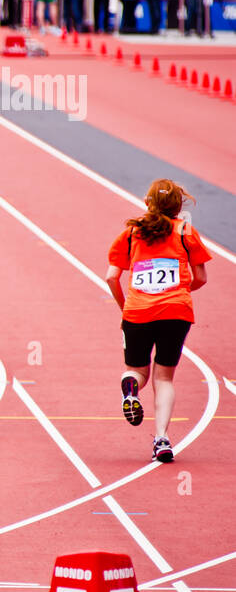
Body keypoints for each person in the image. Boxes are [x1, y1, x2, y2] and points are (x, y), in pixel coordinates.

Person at [106, 181, 210, 463]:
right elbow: (200, 278)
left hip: (137, 312)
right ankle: (162, 439)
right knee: (164, 377)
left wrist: (125, 307)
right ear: (179, 206)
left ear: (147, 203)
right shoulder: (186, 232)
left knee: (136, 371)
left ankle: (130, 390)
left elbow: (111, 277)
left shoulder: (130, 234)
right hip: (176, 312)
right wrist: (174, 293)